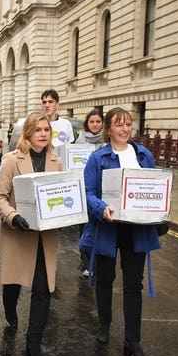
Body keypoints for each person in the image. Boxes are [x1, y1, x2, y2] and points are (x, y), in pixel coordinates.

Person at [79, 107, 160, 356]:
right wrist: (102, 208)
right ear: (108, 129)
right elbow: (88, 191)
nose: (125, 129)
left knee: (133, 284)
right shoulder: (98, 158)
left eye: (128, 124)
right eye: (119, 125)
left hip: (136, 228)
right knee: (105, 277)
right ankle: (104, 325)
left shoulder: (144, 155)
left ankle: (132, 340)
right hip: (108, 225)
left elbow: (155, 187)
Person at [0, 111, 62, 356]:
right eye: (38, 130)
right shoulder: (12, 160)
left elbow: (61, 194)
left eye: (46, 130)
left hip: (46, 237)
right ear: (28, 133)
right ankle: (11, 313)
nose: (43, 134)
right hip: (18, 233)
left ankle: (34, 343)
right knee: (13, 284)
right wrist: (12, 217)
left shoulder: (56, 161)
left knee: (43, 289)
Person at [75, 108, 105, 277]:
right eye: (92, 122)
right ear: (87, 124)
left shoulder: (107, 142)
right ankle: (86, 262)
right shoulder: (79, 141)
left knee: (100, 227)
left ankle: (99, 259)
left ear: (102, 124)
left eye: (98, 122)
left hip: (101, 191)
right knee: (85, 227)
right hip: (83, 189)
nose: (95, 125)